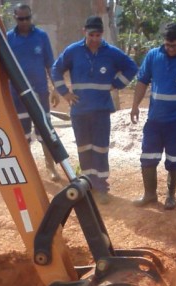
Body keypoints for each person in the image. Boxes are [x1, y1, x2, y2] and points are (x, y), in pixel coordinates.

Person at [51, 16, 138, 204]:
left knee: (100, 148)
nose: (95, 39)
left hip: (101, 110)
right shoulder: (73, 51)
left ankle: (101, 187)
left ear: (102, 34)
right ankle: (88, 185)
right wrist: (65, 93)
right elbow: (56, 70)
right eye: (91, 35)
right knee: (84, 148)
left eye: (98, 35)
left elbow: (132, 68)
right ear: (84, 31)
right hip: (79, 111)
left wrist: (116, 84)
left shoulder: (112, 53)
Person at [130, 22, 176, 210]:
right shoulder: (153, 56)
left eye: (175, 46)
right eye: (168, 45)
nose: (171, 49)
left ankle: (171, 195)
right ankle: (149, 194)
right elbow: (142, 82)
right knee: (148, 157)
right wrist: (135, 105)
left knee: (174, 159)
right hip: (154, 121)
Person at [7, 3, 61, 182]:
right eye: (21, 19)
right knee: (23, 134)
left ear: (31, 17)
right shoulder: (8, 38)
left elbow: (50, 63)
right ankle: (27, 170)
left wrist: (55, 88)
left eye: (27, 18)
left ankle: (50, 167)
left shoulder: (41, 36)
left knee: (44, 130)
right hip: (17, 95)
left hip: (39, 93)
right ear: (15, 18)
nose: (24, 22)